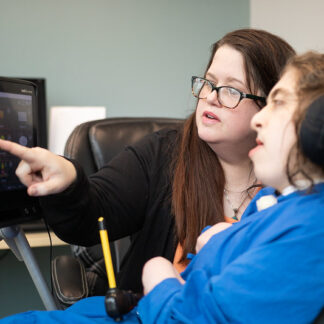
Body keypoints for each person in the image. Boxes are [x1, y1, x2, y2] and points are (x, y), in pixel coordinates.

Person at [2, 51, 324, 324]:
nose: (210, 95)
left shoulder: (295, 215)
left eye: (231, 90)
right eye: (208, 82)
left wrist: (160, 275)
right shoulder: (166, 153)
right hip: (134, 308)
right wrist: (70, 180)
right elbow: (94, 212)